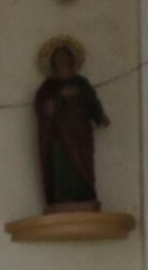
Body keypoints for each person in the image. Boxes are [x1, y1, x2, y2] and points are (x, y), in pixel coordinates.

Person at [33, 38, 109, 209]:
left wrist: (100, 115)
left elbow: (92, 101)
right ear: (53, 62)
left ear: (72, 60)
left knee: (81, 162)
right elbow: (42, 108)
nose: (63, 60)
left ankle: (84, 194)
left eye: (66, 57)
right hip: (58, 136)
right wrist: (60, 95)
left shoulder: (81, 83)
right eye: (59, 58)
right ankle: (61, 198)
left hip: (80, 133)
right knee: (61, 164)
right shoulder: (48, 86)